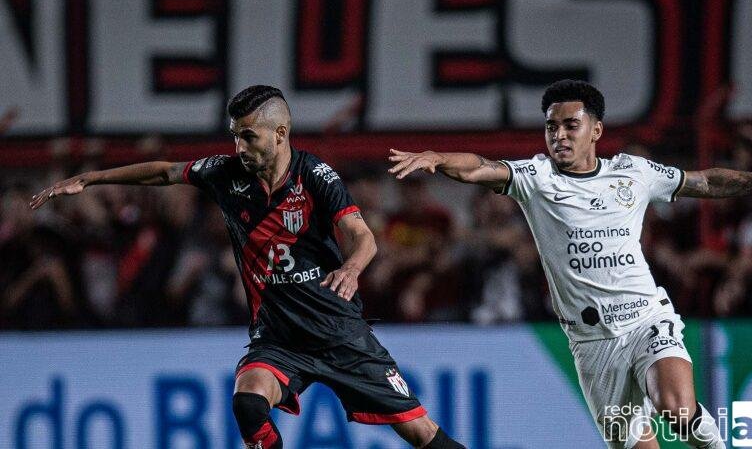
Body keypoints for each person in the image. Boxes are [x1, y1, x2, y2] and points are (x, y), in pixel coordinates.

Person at [30, 85, 464, 449]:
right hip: (279, 338)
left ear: (280, 133)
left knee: (421, 433)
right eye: (235, 136)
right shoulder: (226, 174)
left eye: (249, 137)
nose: (239, 147)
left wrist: (350, 269)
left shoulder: (315, 176)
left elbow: (363, 236)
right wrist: (90, 179)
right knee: (248, 401)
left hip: (338, 332)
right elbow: (165, 172)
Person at [388, 79, 752, 448]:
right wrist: (438, 158)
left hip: (645, 319)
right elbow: (478, 166)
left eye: (570, 125)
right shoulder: (536, 178)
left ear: (596, 130)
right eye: (551, 127)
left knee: (676, 408)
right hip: (592, 343)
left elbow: (705, 182)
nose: (559, 135)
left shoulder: (633, 172)